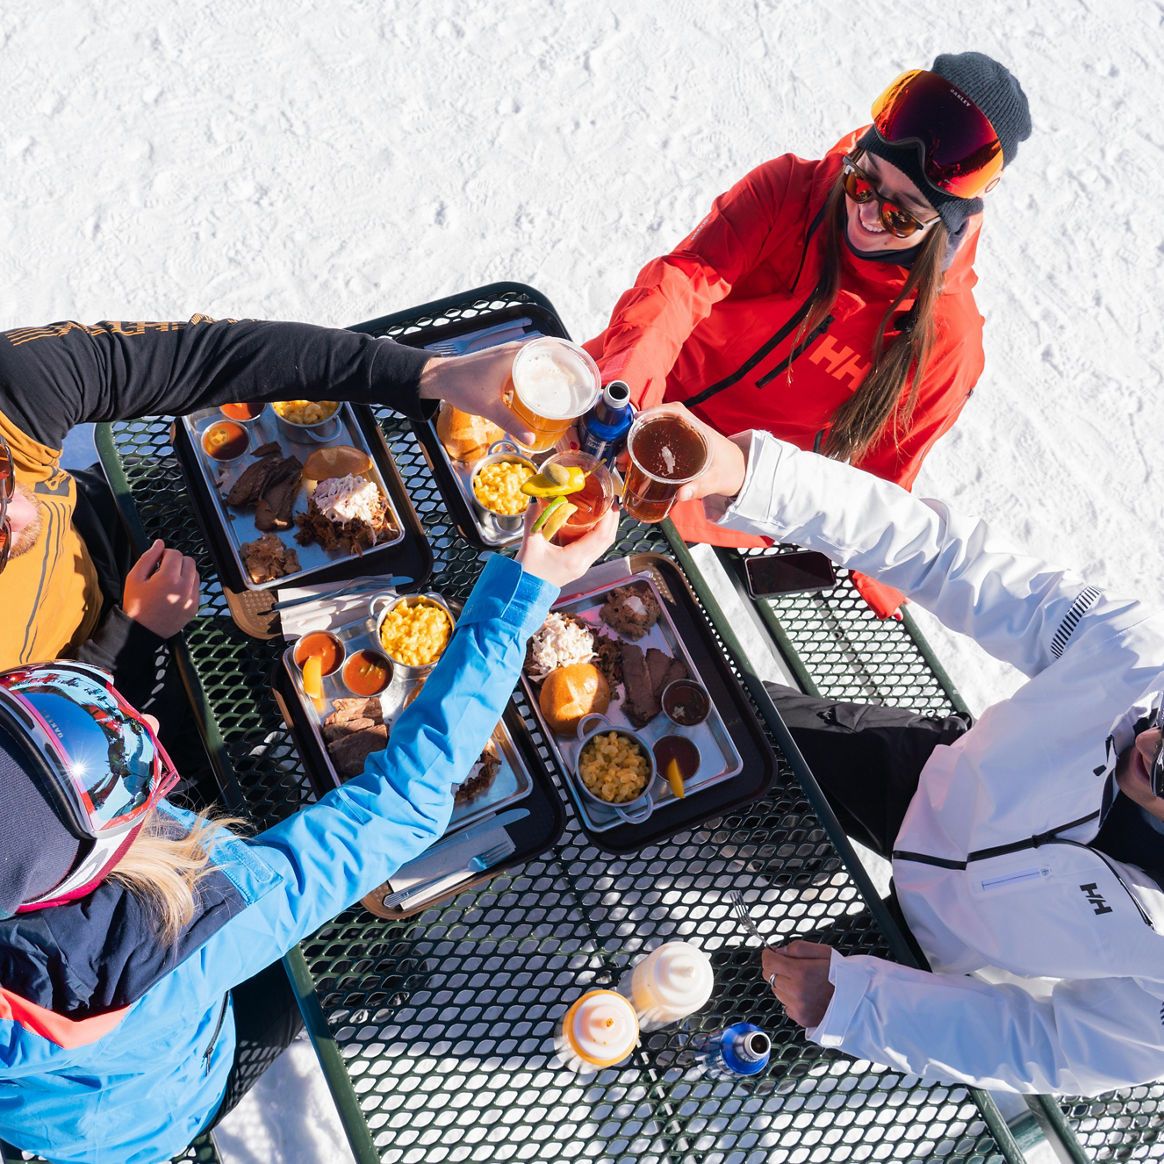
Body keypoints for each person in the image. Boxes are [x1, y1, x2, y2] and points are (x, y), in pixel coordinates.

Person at [0, 497, 618, 1164]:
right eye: (113, 780)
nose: (146, 731)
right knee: (327, 954)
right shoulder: (169, 938)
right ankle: (368, 976)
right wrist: (524, 589)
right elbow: (401, 806)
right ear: (88, 866)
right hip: (161, 1112)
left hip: (53, 1108)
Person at [662, 401, 1164, 1095]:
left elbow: (1056, 1047)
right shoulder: (1135, 664)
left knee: (720, 1014)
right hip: (936, 779)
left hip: (951, 945)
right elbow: (944, 554)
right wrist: (753, 476)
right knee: (692, 703)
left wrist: (859, 1006)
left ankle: (739, 992)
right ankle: (792, 836)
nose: (1150, 740)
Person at [584, 52, 1032, 618]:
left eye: (901, 217)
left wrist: (876, 569)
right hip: (619, 401)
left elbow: (887, 469)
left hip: (715, 487)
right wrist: (624, 388)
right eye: (863, 184)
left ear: (943, 228)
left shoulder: (947, 341)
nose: (868, 216)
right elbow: (680, 285)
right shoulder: (790, 191)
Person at [0, 314, 529, 760]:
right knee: (209, 742)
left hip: (103, 528)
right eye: (0, 538)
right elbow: (24, 765)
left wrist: (429, 373)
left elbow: (210, 358)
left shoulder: (10, 388)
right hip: (84, 684)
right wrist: (134, 633)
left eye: (3, 478)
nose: (26, 508)